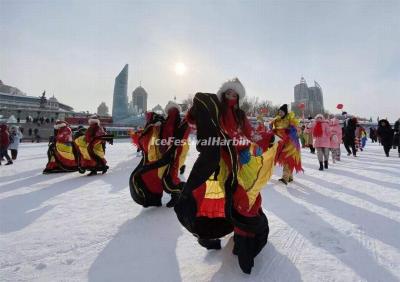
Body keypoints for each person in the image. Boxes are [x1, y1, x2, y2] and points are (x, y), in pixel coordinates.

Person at [174, 86, 277, 274]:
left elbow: (249, 133)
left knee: (245, 198)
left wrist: (259, 143)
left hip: (240, 161)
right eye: (228, 94)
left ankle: (243, 238)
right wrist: (196, 110)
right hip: (218, 161)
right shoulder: (217, 111)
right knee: (215, 196)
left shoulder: (240, 115)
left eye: (234, 95)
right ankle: (210, 234)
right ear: (223, 95)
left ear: (238, 98)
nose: (231, 97)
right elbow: (195, 122)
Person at [129, 104, 190, 208]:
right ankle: (154, 199)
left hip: (173, 155)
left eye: (173, 111)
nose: (172, 113)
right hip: (164, 155)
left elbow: (176, 137)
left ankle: (180, 194)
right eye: (170, 111)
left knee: (168, 180)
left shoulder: (179, 123)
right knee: (152, 176)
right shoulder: (164, 123)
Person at [271, 104, 303, 185]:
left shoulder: (290, 119)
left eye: (282, 112)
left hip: (291, 143)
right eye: (279, 112)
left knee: (288, 159)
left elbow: (297, 130)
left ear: (285, 112)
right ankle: (290, 177)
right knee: (286, 159)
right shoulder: (277, 120)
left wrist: (289, 130)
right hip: (281, 142)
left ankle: (285, 178)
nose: (280, 113)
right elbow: (272, 128)